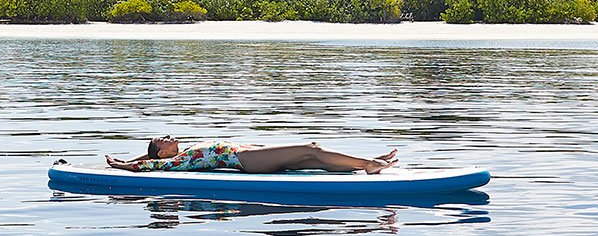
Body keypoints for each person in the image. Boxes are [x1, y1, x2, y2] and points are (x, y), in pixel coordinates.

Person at [105, 135, 399, 174]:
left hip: (250, 155)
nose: (170, 138)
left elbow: (145, 161)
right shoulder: (174, 162)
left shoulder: (184, 153)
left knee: (311, 160)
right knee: (311, 149)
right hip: (245, 162)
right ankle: (369, 164)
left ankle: (365, 162)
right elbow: (145, 168)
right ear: (161, 152)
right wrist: (123, 164)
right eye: (163, 140)